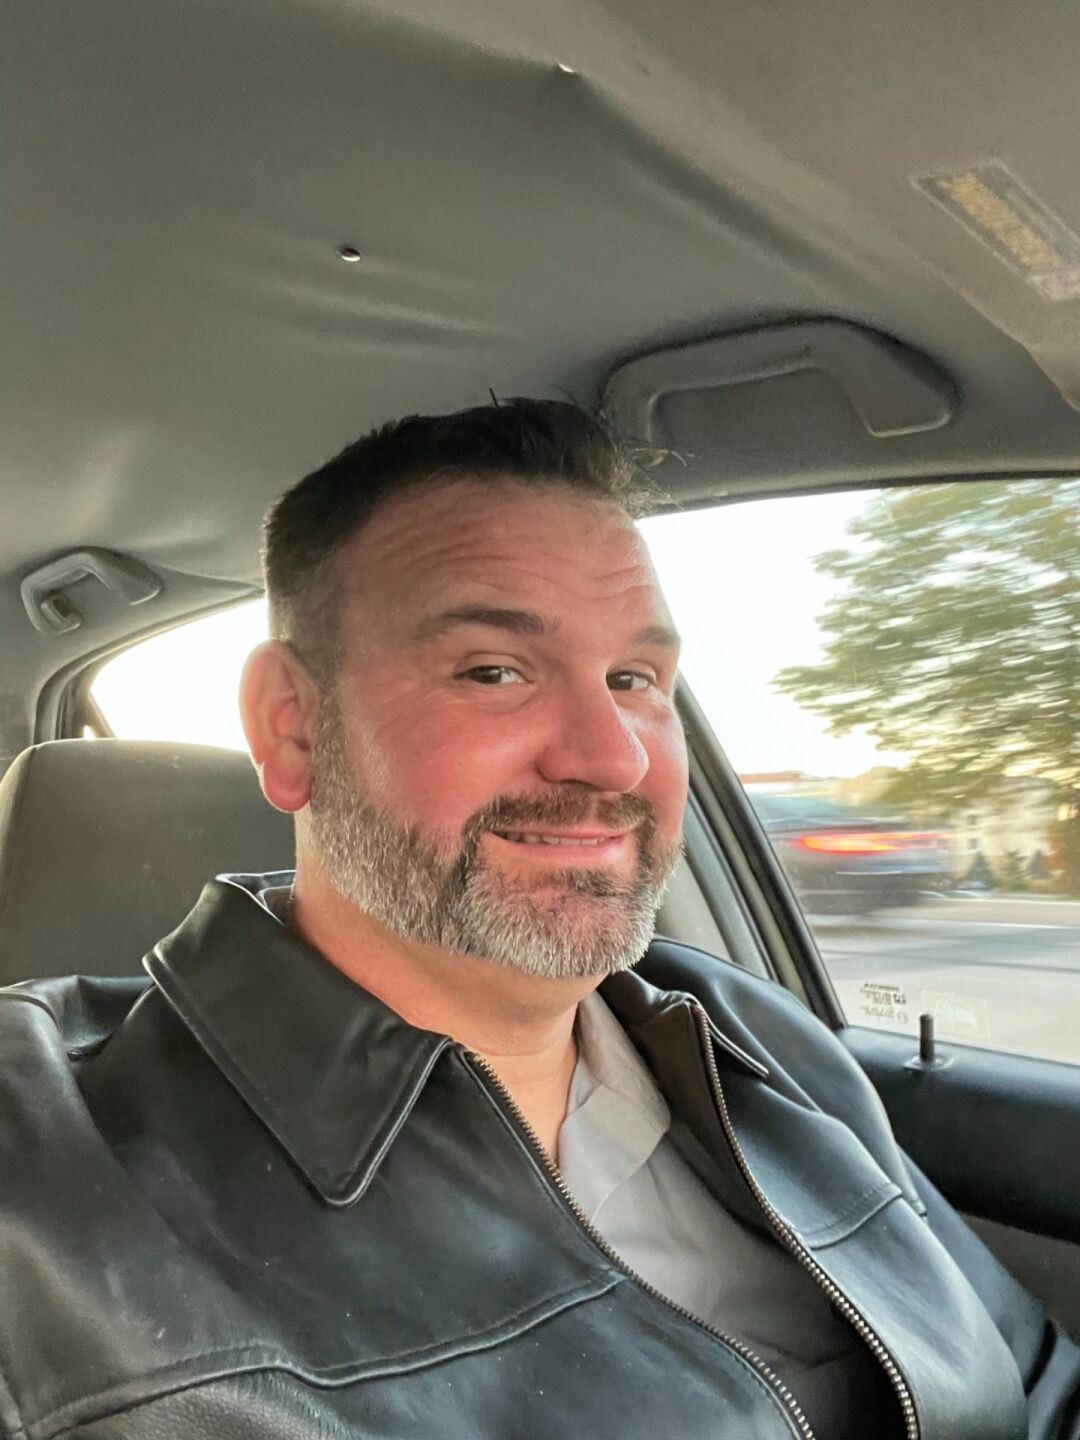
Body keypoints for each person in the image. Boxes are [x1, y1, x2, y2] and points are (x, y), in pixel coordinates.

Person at [1, 399, 1077, 1440]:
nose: (613, 757)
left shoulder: (747, 1035)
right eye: (494, 671)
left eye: (634, 677)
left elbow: (1034, 1382)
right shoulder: (43, 1161)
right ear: (293, 729)